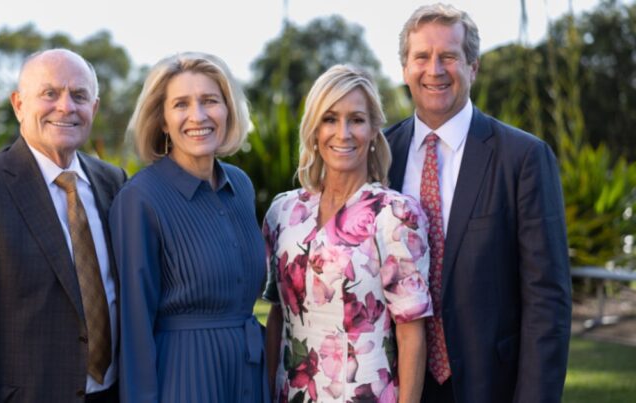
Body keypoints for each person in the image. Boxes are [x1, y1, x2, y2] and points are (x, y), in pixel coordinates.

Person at [384, 4, 572, 402]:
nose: (435, 70)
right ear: (404, 69)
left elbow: (547, 300)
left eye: (449, 56)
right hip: (397, 386)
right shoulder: (380, 155)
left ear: (473, 68)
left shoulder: (523, 158)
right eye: (422, 57)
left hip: (490, 386)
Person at [0, 48, 126, 403]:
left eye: (79, 96)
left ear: (93, 108)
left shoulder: (114, 183)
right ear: (18, 104)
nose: (66, 107)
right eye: (50, 93)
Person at [263, 64, 432, 403]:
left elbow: (411, 334)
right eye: (330, 119)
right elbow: (277, 316)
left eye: (356, 119)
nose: (343, 133)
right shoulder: (283, 212)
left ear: (373, 130)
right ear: (314, 129)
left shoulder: (394, 214)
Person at [109, 52, 268, 403]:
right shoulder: (139, 199)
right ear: (163, 121)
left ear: (228, 110)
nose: (198, 116)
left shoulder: (240, 186)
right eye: (181, 104)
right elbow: (135, 330)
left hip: (249, 378)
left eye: (210, 100)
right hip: (184, 381)